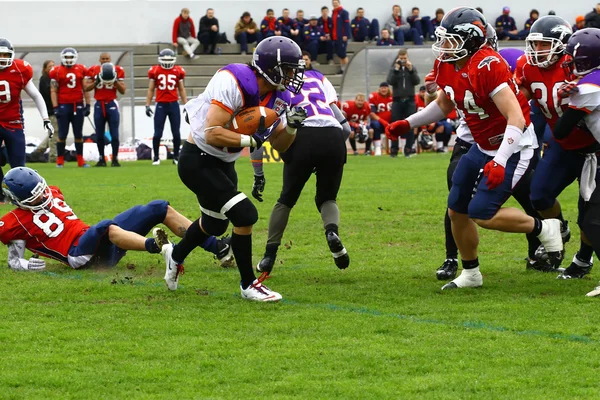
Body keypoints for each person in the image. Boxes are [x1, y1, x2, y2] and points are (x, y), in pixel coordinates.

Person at [386, 7, 564, 290]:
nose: (443, 46)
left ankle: (545, 228)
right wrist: (408, 123)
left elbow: (516, 117)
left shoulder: (488, 64)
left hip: (514, 144)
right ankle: (471, 272)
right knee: (456, 209)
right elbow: (445, 104)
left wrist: (501, 160)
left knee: (482, 213)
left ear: (469, 40)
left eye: (450, 40)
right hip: (481, 144)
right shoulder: (448, 64)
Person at [166, 38, 308, 302]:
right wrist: (248, 140)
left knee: (214, 224)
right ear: (271, 67)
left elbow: (279, 145)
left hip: (223, 163)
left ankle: (174, 256)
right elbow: (211, 133)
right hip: (197, 159)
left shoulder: (279, 97)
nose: (292, 75)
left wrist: (290, 127)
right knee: (245, 214)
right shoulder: (233, 80)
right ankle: (248, 284)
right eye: (288, 69)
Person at [0, 167, 232, 275]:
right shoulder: (13, 222)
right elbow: (14, 258)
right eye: (35, 196)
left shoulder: (53, 191)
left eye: (42, 190)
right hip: (79, 255)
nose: (43, 196)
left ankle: (218, 247)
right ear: (15, 201)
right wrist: (25, 264)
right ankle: (158, 247)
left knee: (159, 207)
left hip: (96, 240)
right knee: (105, 226)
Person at [257, 52, 351, 275]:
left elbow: (263, 131)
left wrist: (258, 172)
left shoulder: (275, 84)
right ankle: (332, 232)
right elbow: (345, 126)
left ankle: (269, 256)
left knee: (286, 200)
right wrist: (332, 147)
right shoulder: (318, 77)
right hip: (333, 135)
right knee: (327, 197)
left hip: (302, 135)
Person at [517, 16, 596, 276]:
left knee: (590, 212)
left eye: (544, 45)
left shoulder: (577, 64)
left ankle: (583, 260)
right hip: (563, 143)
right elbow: (519, 99)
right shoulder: (526, 66)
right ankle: (559, 227)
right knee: (539, 194)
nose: (537, 51)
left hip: (594, 146)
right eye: (535, 44)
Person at [551, 28, 600, 295]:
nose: (567, 61)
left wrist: (568, 99)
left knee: (593, 220)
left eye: (572, 57)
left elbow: (560, 130)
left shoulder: (588, 87)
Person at [0, 38, 53, 193]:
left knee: (18, 165)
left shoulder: (20, 69)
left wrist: (45, 118)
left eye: (5, 54)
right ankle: (1, 194)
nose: (2, 58)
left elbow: (36, 95)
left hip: (13, 121)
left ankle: (20, 195)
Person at [145, 49, 187, 166]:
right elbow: (151, 89)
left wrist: (186, 104)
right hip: (161, 104)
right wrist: (147, 105)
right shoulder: (155, 70)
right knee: (158, 133)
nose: (167, 62)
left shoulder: (178, 71)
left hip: (173, 103)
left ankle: (176, 157)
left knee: (176, 133)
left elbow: (181, 89)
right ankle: (156, 157)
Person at [50, 47, 90, 168]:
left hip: (77, 104)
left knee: (78, 134)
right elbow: (53, 90)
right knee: (62, 134)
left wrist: (87, 104)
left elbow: (86, 88)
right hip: (63, 105)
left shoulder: (81, 69)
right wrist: (55, 106)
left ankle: (80, 160)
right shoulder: (56, 71)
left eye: (70, 57)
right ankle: (60, 160)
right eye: (66, 57)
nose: (68, 60)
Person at [84, 53, 126, 167]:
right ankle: (101, 158)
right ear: (99, 60)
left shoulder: (117, 70)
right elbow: (86, 88)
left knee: (114, 134)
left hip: (112, 103)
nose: (105, 60)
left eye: (107, 59)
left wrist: (115, 80)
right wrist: (97, 81)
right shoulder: (94, 70)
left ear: (110, 59)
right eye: (103, 59)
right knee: (99, 134)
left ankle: (115, 159)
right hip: (99, 103)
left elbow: (123, 91)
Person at [386, 48, 420, 157]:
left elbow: (417, 81)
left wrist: (410, 70)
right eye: (401, 58)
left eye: (405, 58)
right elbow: (390, 81)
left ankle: (408, 149)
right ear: (398, 58)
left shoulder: (411, 68)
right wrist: (396, 70)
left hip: (409, 99)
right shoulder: (394, 69)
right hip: (397, 100)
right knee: (394, 125)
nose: (403, 60)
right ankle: (394, 150)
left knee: (410, 124)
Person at [27, 60, 58, 164]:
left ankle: (39, 150)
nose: (52, 67)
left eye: (54, 65)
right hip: (51, 110)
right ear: (45, 69)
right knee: (55, 133)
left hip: (54, 109)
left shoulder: (52, 79)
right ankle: (53, 156)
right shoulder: (45, 79)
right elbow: (47, 95)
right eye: (50, 66)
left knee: (54, 132)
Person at [369, 82, 393, 156]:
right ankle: (378, 147)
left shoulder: (393, 96)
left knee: (400, 123)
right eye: (382, 88)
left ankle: (396, 147)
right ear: (379, 89)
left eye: (385, 88)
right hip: (379, 122)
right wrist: (383, 121)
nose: (383, 89)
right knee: (375, 125)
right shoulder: (374, 96)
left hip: (390, 121)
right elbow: (372, 113)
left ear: (388, 89)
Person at [331, 0, 351, 73]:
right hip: (335, 37)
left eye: (336, 3)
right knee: (339, 53)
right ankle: (343, 69)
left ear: (339, 3)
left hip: (342, 36)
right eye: (333, 3)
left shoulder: (344, 12)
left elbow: (346, 25)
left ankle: (347, 70)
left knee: (342, 53)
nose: (335, 4)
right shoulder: (333, 13)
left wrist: (346, 35)